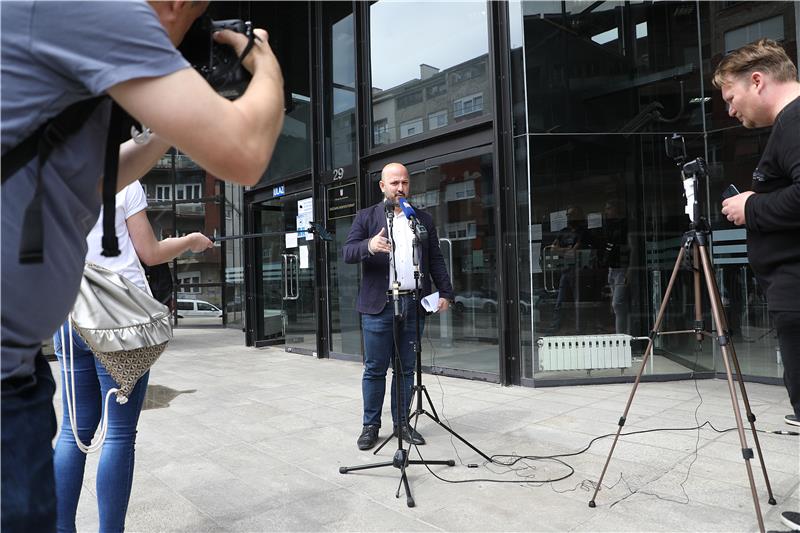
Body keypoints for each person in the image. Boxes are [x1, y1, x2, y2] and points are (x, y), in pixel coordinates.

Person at [1, 2, 284, 530]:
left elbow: (95, 181)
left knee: (72, 434)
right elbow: (245, 152)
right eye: (194, 17)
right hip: (90, 330)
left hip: (36, 349)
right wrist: (261, 59)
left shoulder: (60, 72)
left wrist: (173, 127)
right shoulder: (102, 13)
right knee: (116, 435)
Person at [53, 181, 212, 533]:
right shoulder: (123, 178)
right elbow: (151, 253)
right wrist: (190, 241)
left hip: (66, 314)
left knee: (71, 433)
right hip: (118, 319)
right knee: (119, 435)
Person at [715, 38, 800, 533]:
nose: (730, 110)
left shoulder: (794, 121)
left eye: (730, 97)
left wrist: (751, 207)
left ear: (758, 80)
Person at [343, 163, 454, 451]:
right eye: (394, 183)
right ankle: (371, 426)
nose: (400, 188)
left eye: (404, 182)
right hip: (379, 305)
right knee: (375, 369)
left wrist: (446, 292)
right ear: (382, 186)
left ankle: (402, 423)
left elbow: (436, 259)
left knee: (405, 369)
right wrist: (370, 245)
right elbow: (347, 252)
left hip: (414, 303)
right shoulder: (367, 217)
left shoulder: (422, 219)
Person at [547, 206, 590, 333]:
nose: (569, 217)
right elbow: (552, 249)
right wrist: (567, 250)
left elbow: (575, 252)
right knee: (560, 301)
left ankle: (580, 329)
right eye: (568, 215)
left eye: (572, 214)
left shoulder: (583, 232)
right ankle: (556, 327)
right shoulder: (563, 231)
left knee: (578, 301)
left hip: (579, 270)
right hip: (565, 270)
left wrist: (562, 250)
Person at [601, 200, 632, 334]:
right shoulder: (609, 226)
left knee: (617, 304)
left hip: (622, 268)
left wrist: (629, 271)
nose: (606, 212)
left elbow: (632, 248)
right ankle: (622, 334)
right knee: (617, 306)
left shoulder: (625, 225)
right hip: (612, 268)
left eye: (609, 208)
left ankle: (621, 336)